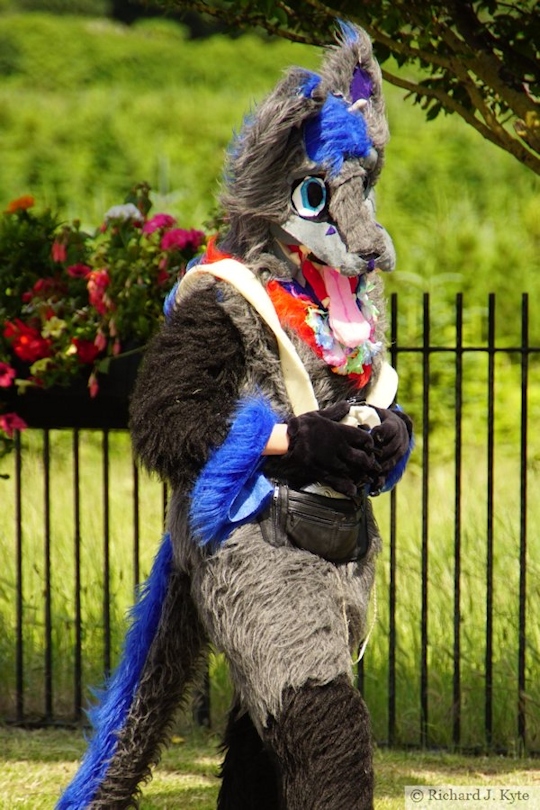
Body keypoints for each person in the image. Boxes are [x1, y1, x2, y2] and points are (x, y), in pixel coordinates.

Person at [57, 21, 412, 810]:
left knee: (266, 747)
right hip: (250, 542)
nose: (358, 232)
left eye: (360, 193)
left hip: (329, 550)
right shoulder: (224, 295)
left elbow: (373, 388)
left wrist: (390, 436)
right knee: (328, 737)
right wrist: (293, 438)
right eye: (322, 196)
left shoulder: (345, 302)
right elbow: (165, 423)